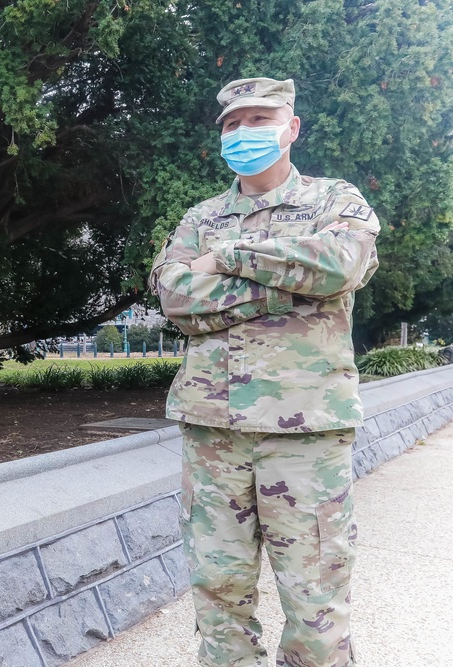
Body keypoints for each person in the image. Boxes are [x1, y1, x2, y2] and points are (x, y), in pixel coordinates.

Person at [149, 77, 379, 667]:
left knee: (315, 597)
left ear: (291, 128)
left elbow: (339, 264)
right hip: (213, 431)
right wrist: (286, 292)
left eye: (258, 119)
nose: (243, 132)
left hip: (305, 433)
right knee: (217, 592)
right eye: (232, 123)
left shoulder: (334, 201)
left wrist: (228, 258)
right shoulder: (202, 216)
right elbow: (175, 298)